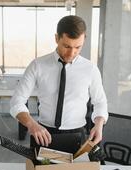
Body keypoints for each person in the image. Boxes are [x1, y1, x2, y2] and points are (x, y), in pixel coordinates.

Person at [10, 15, 108, 154]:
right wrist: (32, 125)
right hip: (43, 133)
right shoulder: (37, 65)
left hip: (77, 135)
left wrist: (98, 124)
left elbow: (100, 102)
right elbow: (16, 102)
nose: (71, 53)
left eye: (77, 47)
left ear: (84, 40)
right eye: (67, 46)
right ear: (57, 38)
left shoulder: (91, 69)